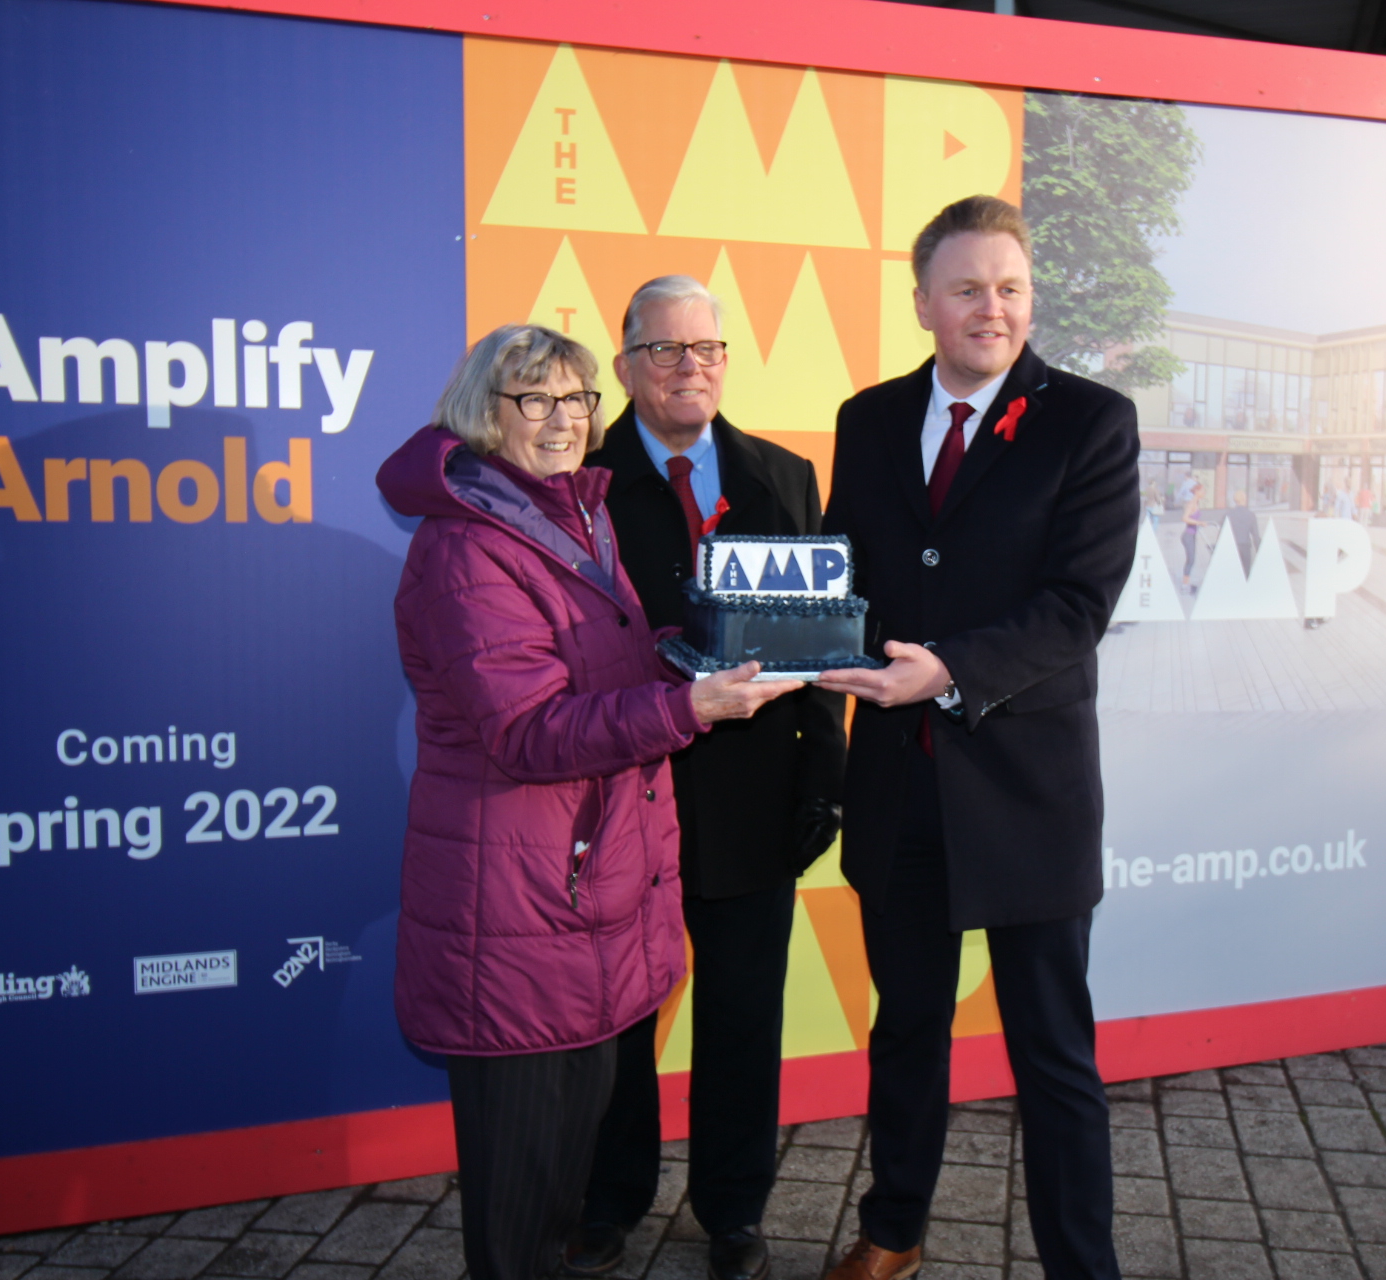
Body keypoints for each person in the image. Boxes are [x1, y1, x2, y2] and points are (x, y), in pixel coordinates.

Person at [374, 324, 799, 1280]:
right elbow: (526, 732)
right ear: (486, 414)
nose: (563, 420)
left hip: (574, 903)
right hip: (516, 914)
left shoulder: (570, 514)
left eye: (575, 400)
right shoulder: (467, 549)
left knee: (559, 1191)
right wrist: (690, 705)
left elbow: (601, 666)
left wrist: (689, 655)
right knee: (523, 1215)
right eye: (535, 400)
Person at [816, 195, 1138, 1280]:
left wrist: (947, 670)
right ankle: (893, 1229)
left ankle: (1080, 1265)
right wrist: (787, 634)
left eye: (1009, 286)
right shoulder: (866, 419)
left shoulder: (1091, 421)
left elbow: (1077, 604)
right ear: (923, 302)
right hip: (898, 788)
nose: (991, 308)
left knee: (1052, 1053)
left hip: (1026, 792)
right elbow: (841, 577)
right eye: (967, 288)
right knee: (905, 1031)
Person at [566, 278, 847, 1280]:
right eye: (667, 350)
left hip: (754, 800)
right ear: (627, 362)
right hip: (624, 794)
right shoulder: (582, 487)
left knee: (741, 1013)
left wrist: (826, 770)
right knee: (619, 1020)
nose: (691, 368)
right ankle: (611, 1198)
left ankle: (733, 1209)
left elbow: (817, 646)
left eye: (708, 349)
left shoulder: (784, 476)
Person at [1223, 488, 1260, 573]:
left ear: (1235, 500)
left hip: (1232, 547)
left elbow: (1222, 534)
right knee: (1246, 572)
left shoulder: (1228, 514)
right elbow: (1256, 536)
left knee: (1233, 572)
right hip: (1245, 547)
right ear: (1245, 499)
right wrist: (1259, 551)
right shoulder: (1251, 515)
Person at [1180, 479, 1204, 592]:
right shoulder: (1192, 503)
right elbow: (1185, 518)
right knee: (1190, 560)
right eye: (1202, 491)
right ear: (1197, 492)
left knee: (1192, 560)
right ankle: (1185, 586)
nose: (1204, 493)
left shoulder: (1196, 502)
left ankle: (1186, 583)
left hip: (1192, 535)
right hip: (1188, 536)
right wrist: (1199, 523)